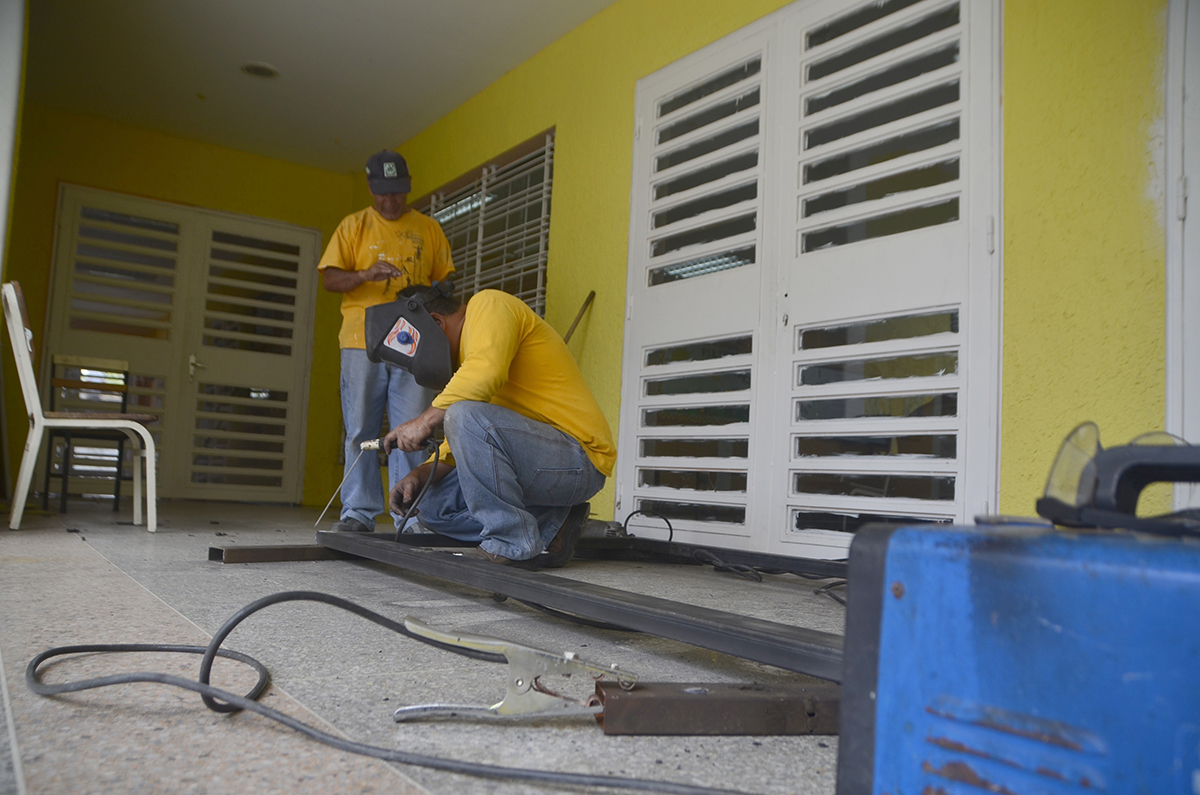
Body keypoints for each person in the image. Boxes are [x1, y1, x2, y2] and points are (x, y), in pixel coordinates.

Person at [383, 285, 615, 567]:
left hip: (579, 459)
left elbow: (483, 377)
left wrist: (424, 421)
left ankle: (512, 541)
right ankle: (555, 523)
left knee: (461, 414)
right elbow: (470, 441)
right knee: (430, 505)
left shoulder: (488, 304)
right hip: (534, 461)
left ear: (435, 322)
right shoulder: (469, 364)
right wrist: (419, 475)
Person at [319, 150, 455, 533]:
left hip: (413, 340)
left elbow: (447, 280)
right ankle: (358, 513)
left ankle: (408, 515)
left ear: (407, 188)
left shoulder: (429, 229)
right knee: (361, 427)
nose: (391, 201)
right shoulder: (354, 226)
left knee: (412, 428)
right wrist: (365, 274)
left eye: (397, 193)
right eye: (383, 193)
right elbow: (330, 279)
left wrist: (429, 291)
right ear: (370, 188)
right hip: (362, 339)